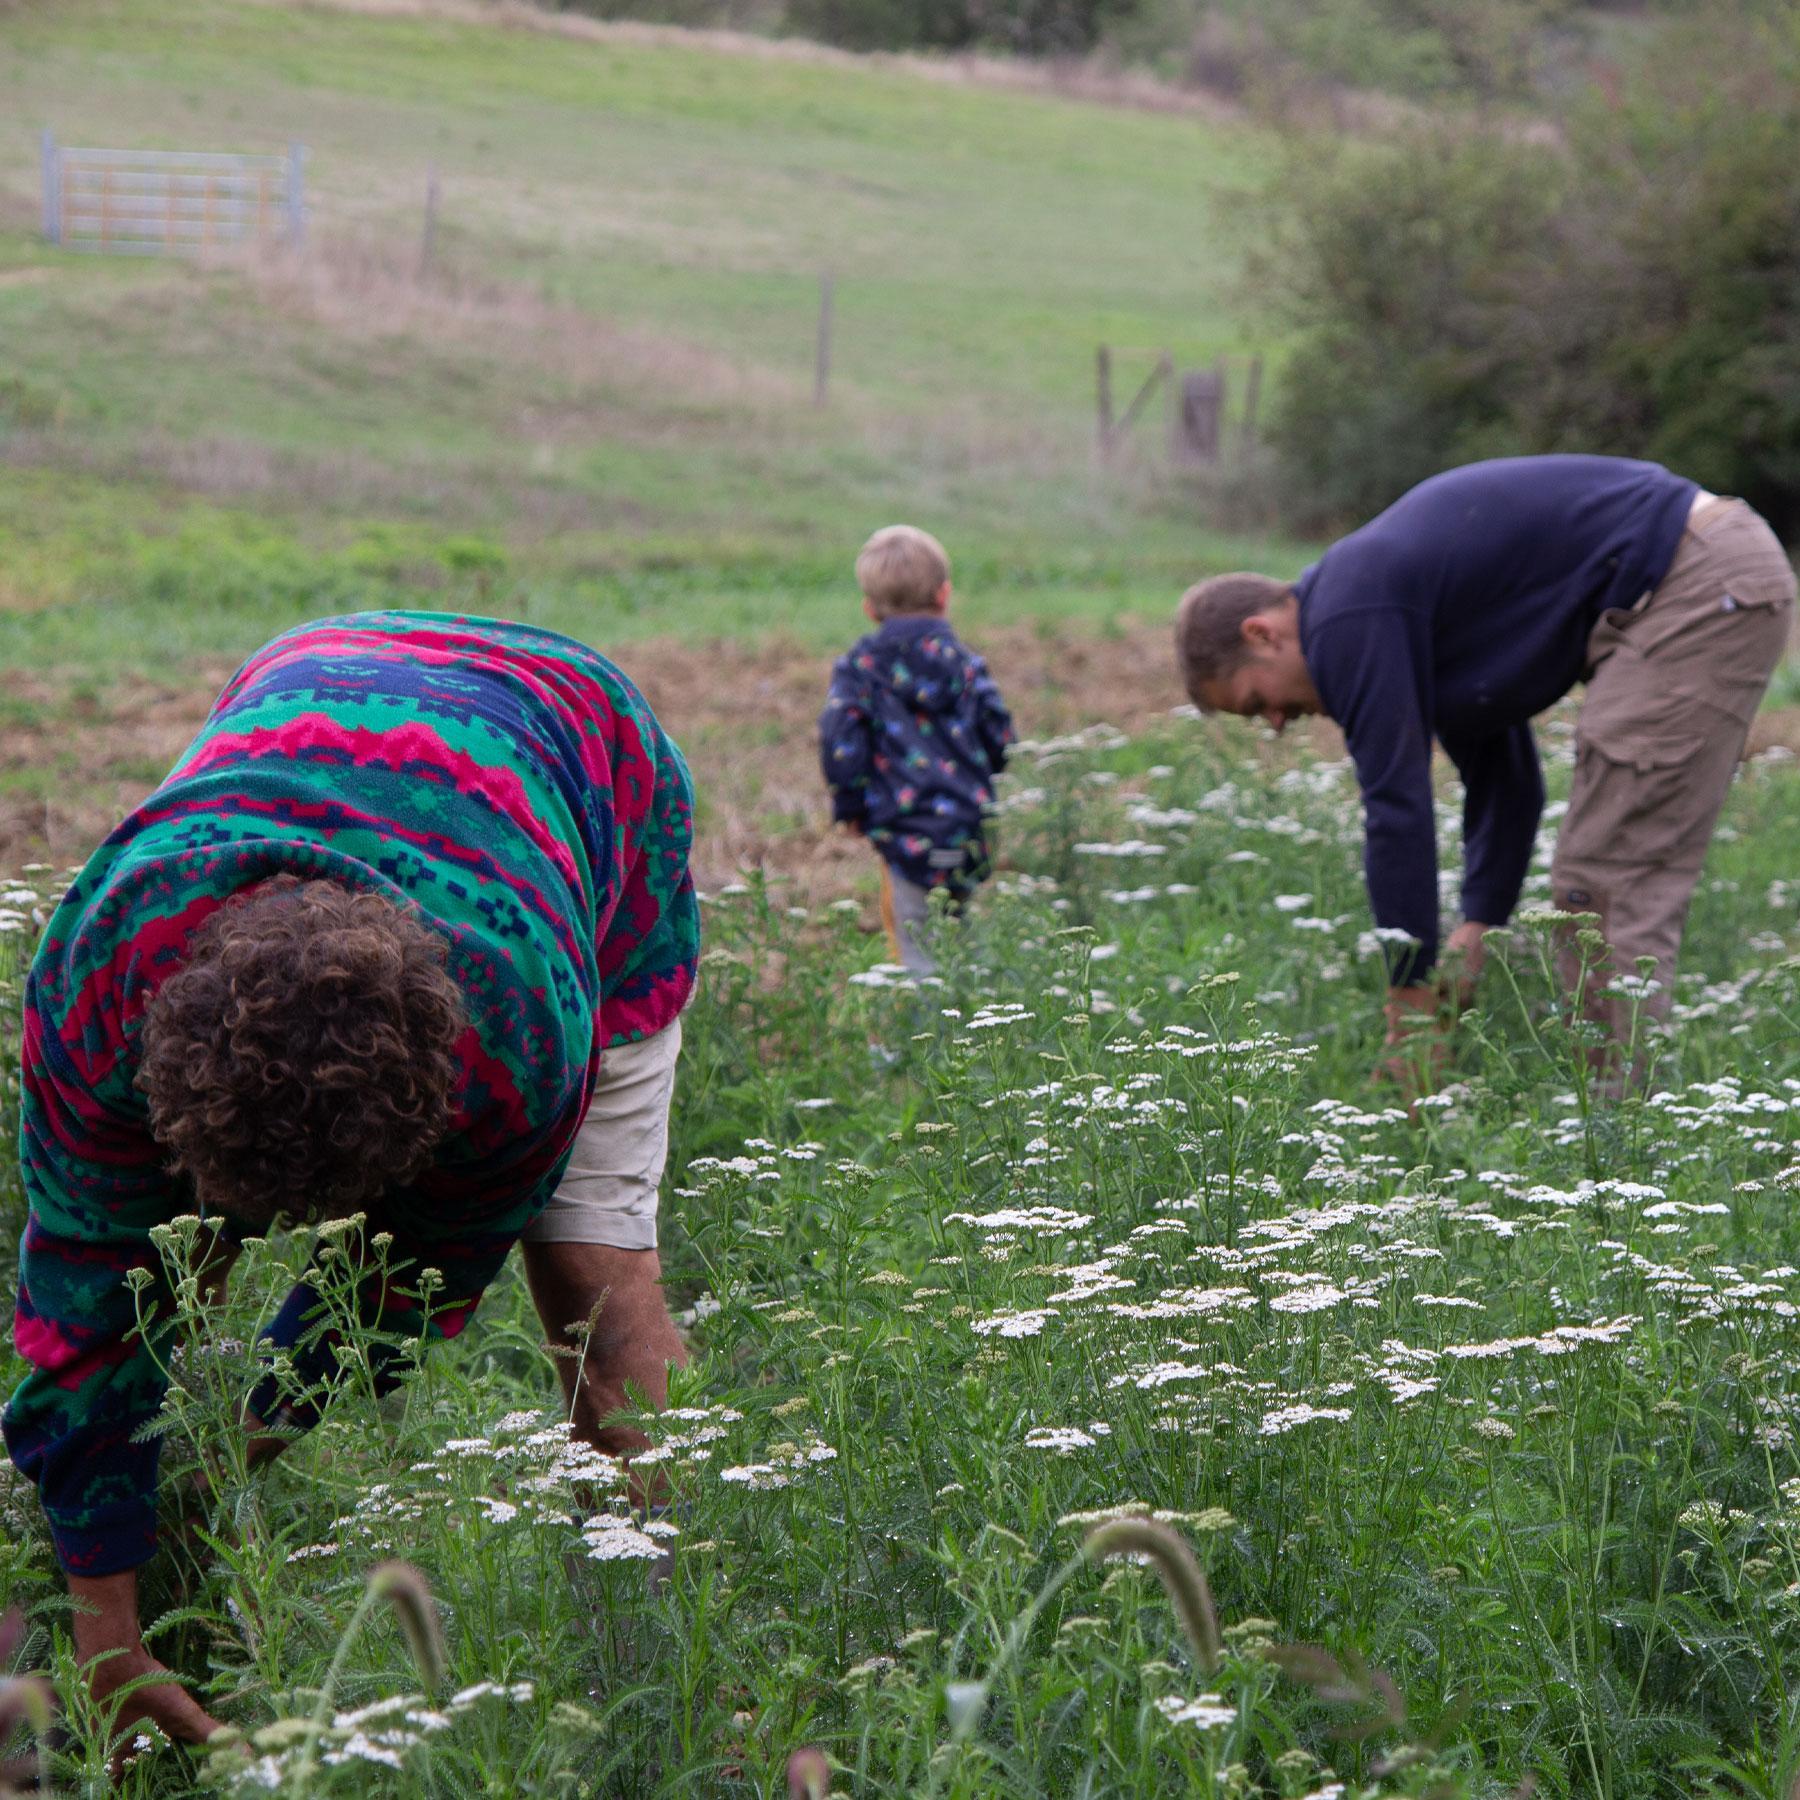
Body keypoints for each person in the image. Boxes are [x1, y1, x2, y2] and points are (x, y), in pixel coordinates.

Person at [3, 612, 700, 1750]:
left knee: (595, 1287)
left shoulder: (523, 1034)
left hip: (583, 747)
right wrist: (107, 1631)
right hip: (320, 675)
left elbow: (402, 1293)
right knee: (162, 1268)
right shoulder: (99, 968)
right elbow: (88, 1307)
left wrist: (226, 1457)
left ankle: (663, 1667)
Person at [1173, 455, 1795, 1072]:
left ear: (1262, 634)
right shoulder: (1383, 605)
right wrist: (1479, 925)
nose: (1276, 723)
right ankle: (1615, 1104)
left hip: (1691, 581)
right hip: (1700, 568)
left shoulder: (1345, 619)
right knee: (1599, 880)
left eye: (1256, 703)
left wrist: (1409, 1004)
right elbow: (1506, 781)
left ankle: (1621, 1122)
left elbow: (1398, 809)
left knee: (1608, 881)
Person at [819, 524, 1015, 975]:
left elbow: (840, 740)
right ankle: (977, 1007)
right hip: (970, 827)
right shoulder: (966, 664)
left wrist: (850, 805)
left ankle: (928, 1019)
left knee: (915, 947)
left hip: (903, 832)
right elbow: (1002, 737)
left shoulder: (861, 668)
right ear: (944, 595)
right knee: (960, 933)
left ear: (869, 608)